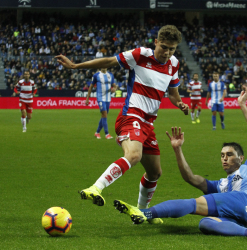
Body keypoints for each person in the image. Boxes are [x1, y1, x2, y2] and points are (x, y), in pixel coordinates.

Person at [56, 25, 189, 224]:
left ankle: (142, 211)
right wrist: (76, 66)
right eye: (164, 47)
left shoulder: (174, 64)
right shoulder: (141, 55)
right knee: (134, 155)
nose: (167, 52)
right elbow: (110, 61)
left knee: (155, 173)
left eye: (172, 48)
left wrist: (180, 104)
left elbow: (172, 93)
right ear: (156, 42)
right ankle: (96, 188)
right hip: (131, 116)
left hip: (148, 124)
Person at [113, 85, 247, 238]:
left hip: (245, 200)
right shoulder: (221, 185)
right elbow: (190, 177)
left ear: (241, 158)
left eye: (229, 154)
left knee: (193, 204)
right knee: (206, 223)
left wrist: (242, 105)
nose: (224, 158)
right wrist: (178, 150)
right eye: (222, 155)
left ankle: (145, 213)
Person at [85, 68, 117, 139]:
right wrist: (87, 98)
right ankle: (107, 134)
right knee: (104, 114)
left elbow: (114, 85)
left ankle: (97, 133)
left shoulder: (110, 75)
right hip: (100, 98)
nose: (104, 67)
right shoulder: (96, 75)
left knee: (104, 116)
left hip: (108, 98)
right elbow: (91, 87)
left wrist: (114, 89)